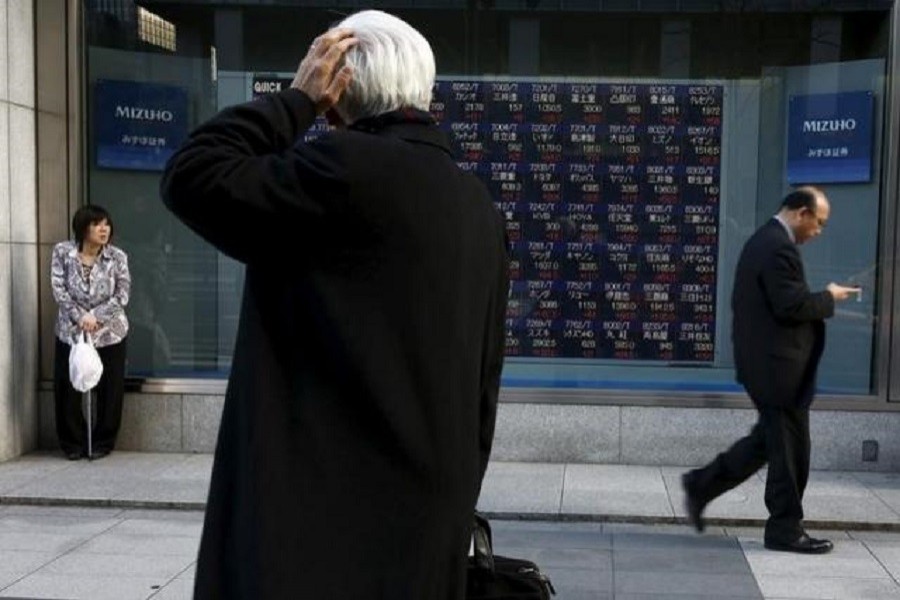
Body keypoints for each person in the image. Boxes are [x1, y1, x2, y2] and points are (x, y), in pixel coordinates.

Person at [160, 10, 509, 599]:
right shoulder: (478, 207)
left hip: (309, 535)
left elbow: (191, 174)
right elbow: (484, 387)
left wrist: (295, 102)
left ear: (337, 83)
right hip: (424, 530)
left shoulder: (336, 174)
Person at [681, 186, 858, 554]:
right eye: (819, 223)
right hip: (779, 372)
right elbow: (790, 306)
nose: (819, 232)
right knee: (791, 453)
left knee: (769, 442)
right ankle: (785, 530)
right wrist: (830, 297)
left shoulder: (767, 240)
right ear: (801, 213)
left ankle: (701, 484)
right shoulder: (778, 247)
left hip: (770, 367)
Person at [51, 205, 130, 460]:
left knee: (110, 390)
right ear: (83, 227)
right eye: (97, 224)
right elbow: (59, 290)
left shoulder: (117, 257)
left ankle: (102, 443)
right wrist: (80, 316)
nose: (103, 229)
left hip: (109, 332)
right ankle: (72, 443)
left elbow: (122, 295)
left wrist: (95, 316)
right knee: (68, 388)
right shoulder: (63, 252)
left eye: (106, 224)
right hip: (71, 331)